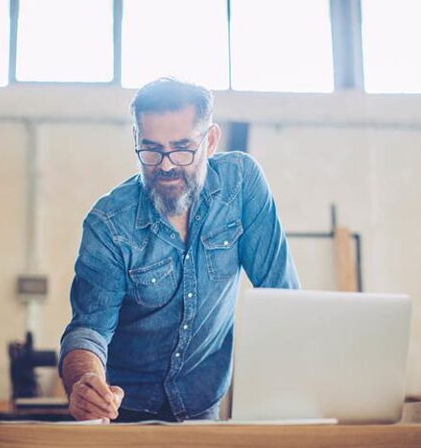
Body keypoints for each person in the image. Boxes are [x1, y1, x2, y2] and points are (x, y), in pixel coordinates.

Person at [59, 78, 300, 423]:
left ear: (211, 141)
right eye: (152, 149)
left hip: (203, 406)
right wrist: (85, 382)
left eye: (182, 148)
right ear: (136, 141)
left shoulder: (241, 185)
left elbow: (283, 297)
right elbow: (89, 329)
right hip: (123, 413)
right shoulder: (109, 223)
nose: (167, 165)